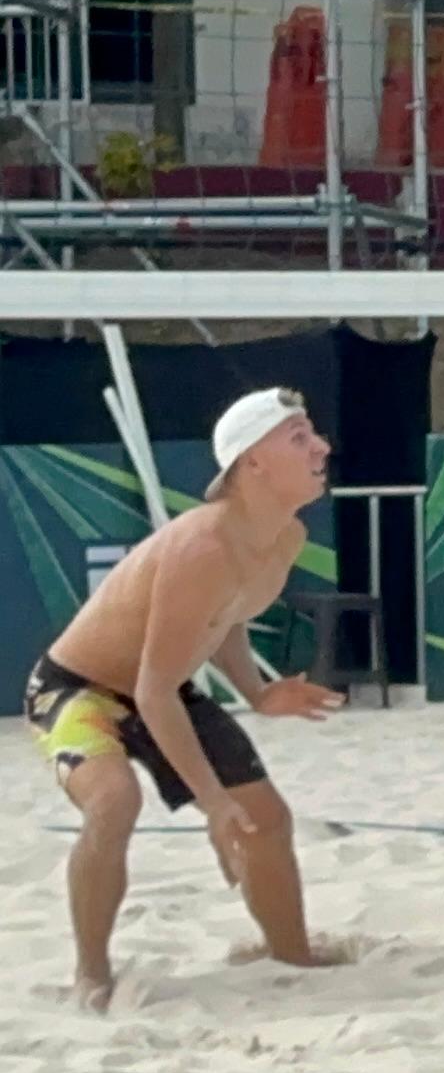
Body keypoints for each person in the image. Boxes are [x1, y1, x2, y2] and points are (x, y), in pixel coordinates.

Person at [24, 388, 344, 1010]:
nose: (322, 447)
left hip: (160, 686)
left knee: (265, 818)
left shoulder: (284, 538)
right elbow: (152, 691)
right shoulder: (202, 546)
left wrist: (258, 692)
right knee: (115, 802)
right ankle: (91, 974)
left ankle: (291, 955)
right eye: (300, 437)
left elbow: (227, 617)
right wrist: (212, 802)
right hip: (77, 688)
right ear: (253, 463)